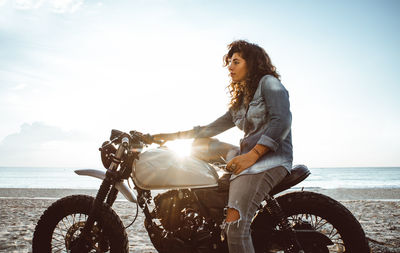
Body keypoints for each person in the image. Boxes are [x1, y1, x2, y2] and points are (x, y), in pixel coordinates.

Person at [153, 40, 292, 253]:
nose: (230, 67)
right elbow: (208, 129)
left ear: (252, 64)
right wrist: (167, 137)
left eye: (236, 62)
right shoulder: (241, 102)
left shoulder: (268, 83)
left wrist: (252, 156)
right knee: (202, 144)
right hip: (248, 158)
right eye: (229, 62)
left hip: (267, 161)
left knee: (235, 229)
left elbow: (281, 120)